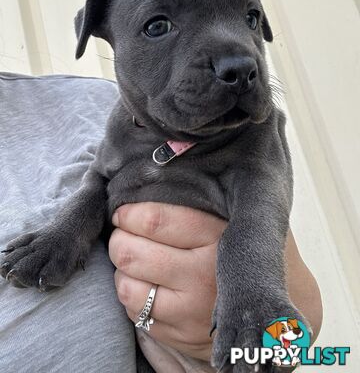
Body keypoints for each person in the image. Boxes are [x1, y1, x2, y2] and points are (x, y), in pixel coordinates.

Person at [0, 73, 322, 372]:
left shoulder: (92, 99)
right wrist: (65, 234)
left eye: (249, 18)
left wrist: (274, 296)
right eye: (158, 26)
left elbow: (263, 187)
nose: (236, 60)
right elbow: (100, 179)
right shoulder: (126, 117)